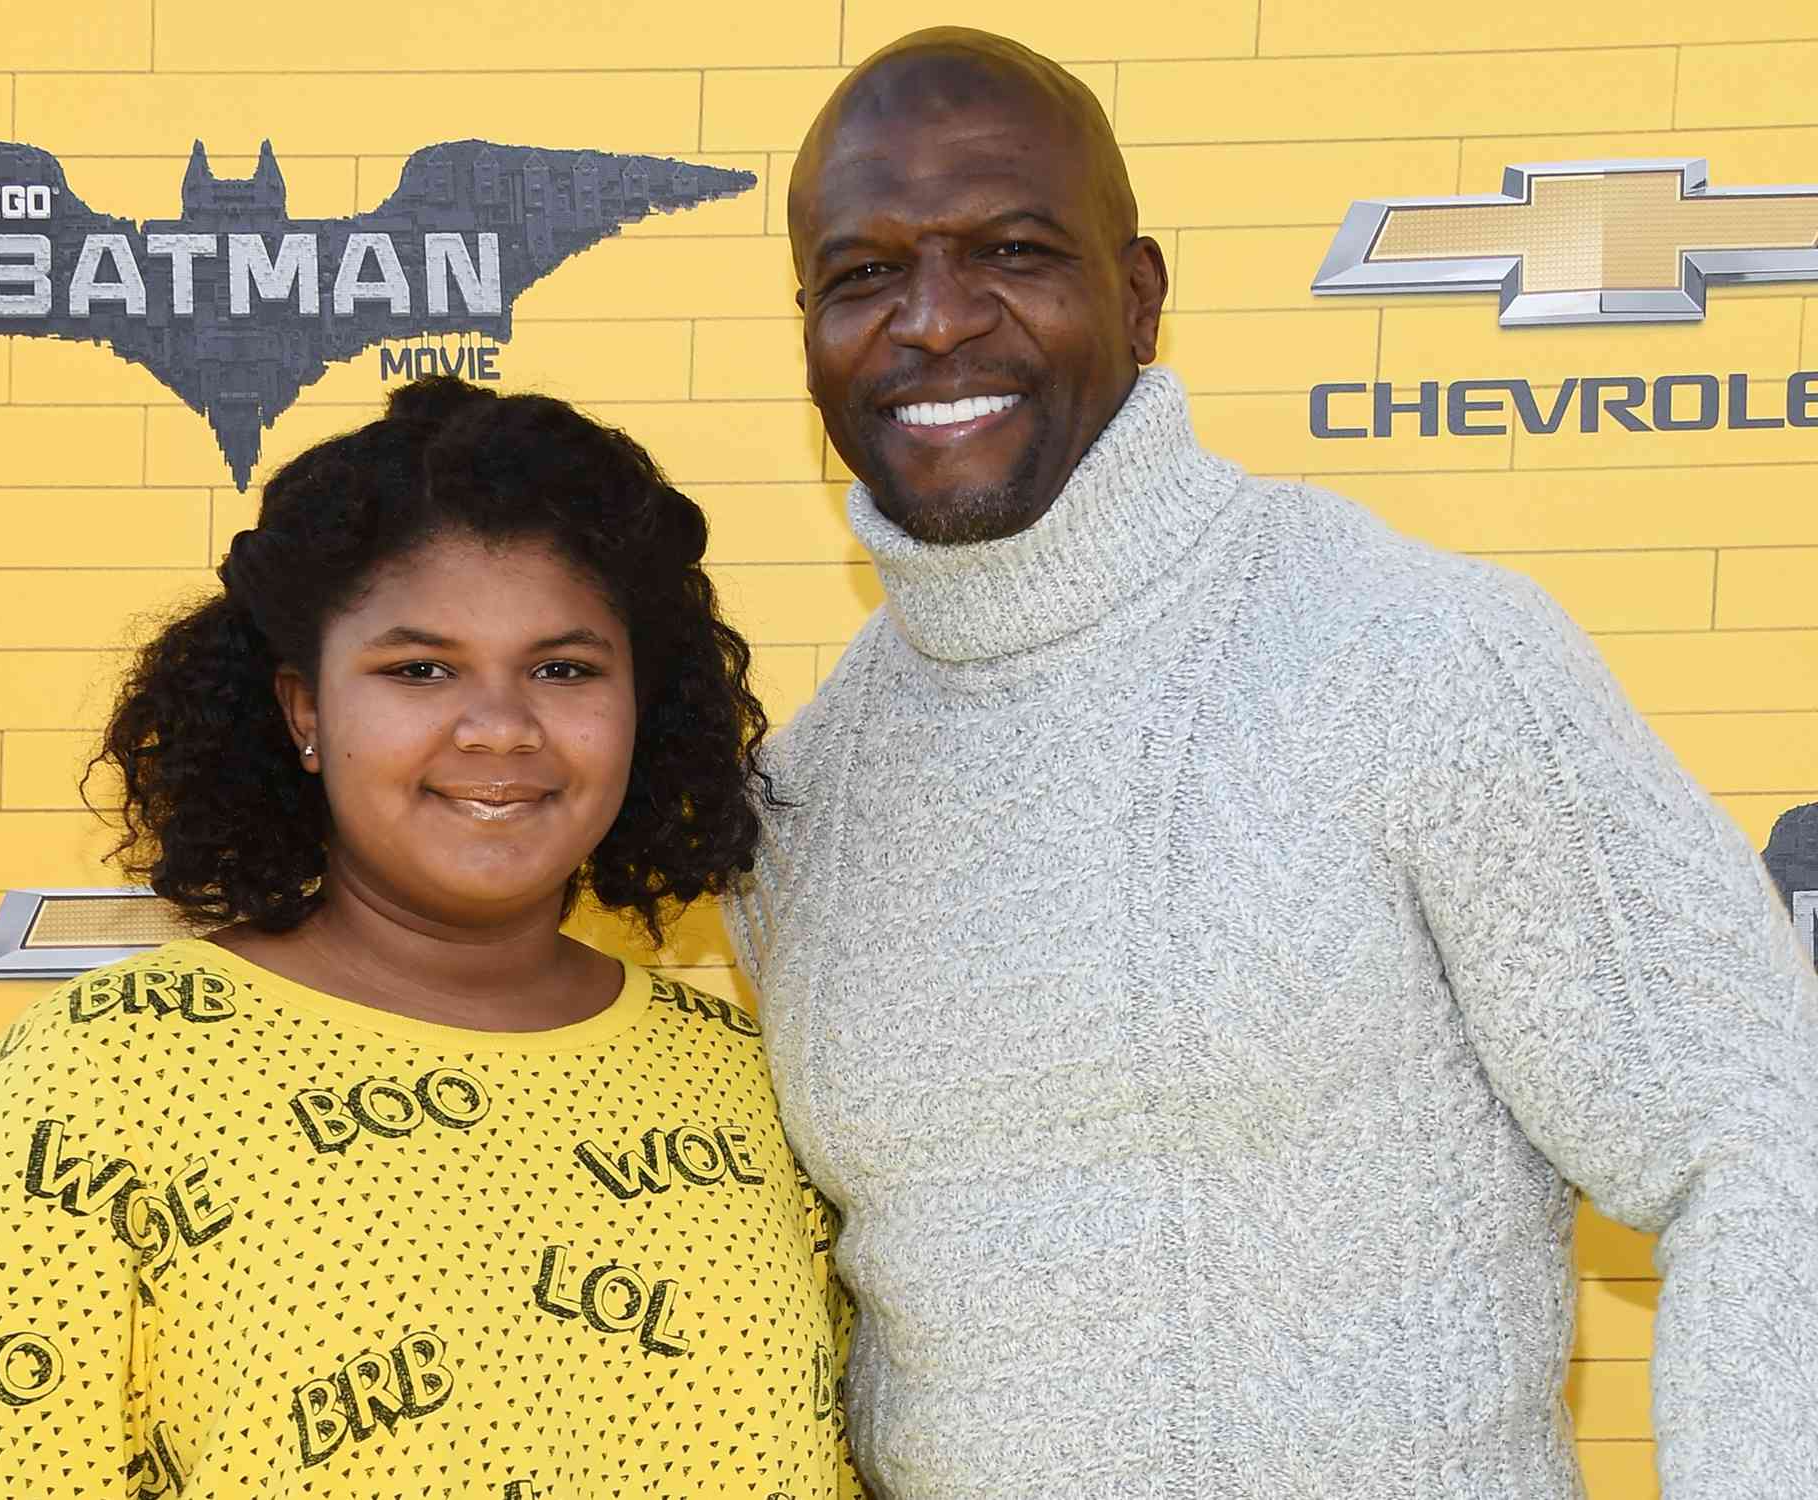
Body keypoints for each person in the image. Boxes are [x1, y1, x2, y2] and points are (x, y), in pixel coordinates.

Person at [725, 26, 1818, 1500]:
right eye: (864, 273)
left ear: (1139, 295)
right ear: (805, 330)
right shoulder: (804, 805)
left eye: (1012, 249)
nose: (933, 321)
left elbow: (1754, 1142)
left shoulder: (1416, 654)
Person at [0, 378, 860, 1499]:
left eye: (563, 669)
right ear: (304, 711)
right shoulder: (99, 1079)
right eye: (418, 670)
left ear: (644, 706)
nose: (497, 725)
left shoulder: (742, 1079)